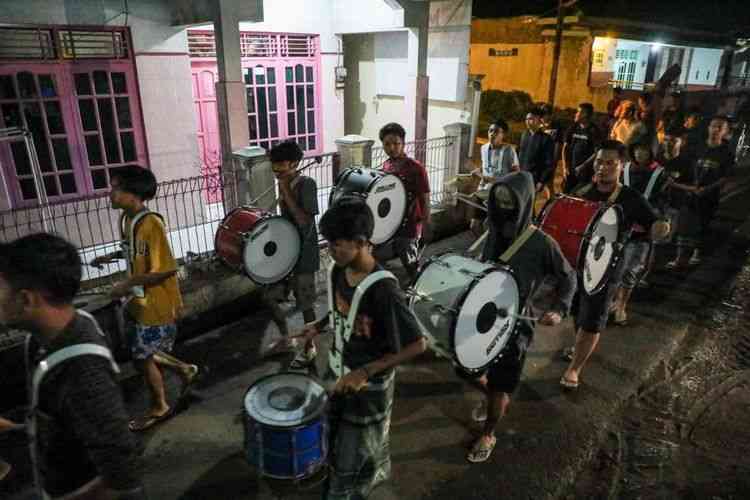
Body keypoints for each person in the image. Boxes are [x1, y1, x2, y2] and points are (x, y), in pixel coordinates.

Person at [285, 198, 426, 499]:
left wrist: (365, 371)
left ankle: (348, 489)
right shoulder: (339, 270)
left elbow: (418, 344)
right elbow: (342, 309)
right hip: (339, 372)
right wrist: (317, 326)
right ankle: (371, 468)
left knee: (354, 453)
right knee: (335, 435)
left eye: (336, 244)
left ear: (361, 242)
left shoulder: (385, 290)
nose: (330, 251)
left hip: (369, 387)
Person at [0, 234, 144, 499]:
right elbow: (64, 414)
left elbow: (122, 471)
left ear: (26, 300)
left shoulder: (81, 366)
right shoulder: (51, 334)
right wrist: (21, 426)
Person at [456, 171, 576, 463]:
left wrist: (559, 309)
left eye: (510, 200)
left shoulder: (541, 242)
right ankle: (495, 396)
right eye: (499, 200)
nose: (504, 206)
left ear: (523, 202)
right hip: (480, 317)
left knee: (500, 384)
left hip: (516, 324)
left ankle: (489, 432)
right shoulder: (493, 230)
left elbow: (568, 277)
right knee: (465, 368)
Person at [90, 166, 197, 432]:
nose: (110, 194)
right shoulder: (128, 220)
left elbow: (167, 268)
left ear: (134, 193)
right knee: (142, 354)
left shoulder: (151, 223)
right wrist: (110, 257)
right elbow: (135, 251)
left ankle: (160, 405)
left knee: (142, 357)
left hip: (156, 303)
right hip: (139, 301)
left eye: (116, 188)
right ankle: (185, 369)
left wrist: (126, 284)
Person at [561, 140, 669, 390]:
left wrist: (661, 227)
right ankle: (578, 346)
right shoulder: (582, 190)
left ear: (622, 166)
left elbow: (655, 222)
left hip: (607, 272)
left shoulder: (632, 198)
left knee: (592, 319)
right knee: (578, 312)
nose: (602, 167)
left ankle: (574, 368)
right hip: (578, 267)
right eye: (599, 161)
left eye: (610, 163)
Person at [267, 140, 320, 369]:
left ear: (295, 163)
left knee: (305, 302)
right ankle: (287, 339)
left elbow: (304, 221)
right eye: (274, 164)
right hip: (286, 252)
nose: (276, 169)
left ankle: (310, 347)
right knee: (269, 297)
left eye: (281, 164)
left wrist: (286, 192)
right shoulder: (285, 182)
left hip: (304, 253)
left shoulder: (306, 184)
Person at [610, 143, 672, 324]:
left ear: (652, 152)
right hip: (620, 227)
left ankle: (621, 306)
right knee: (614, 269)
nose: (640, 152)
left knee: (631, 270)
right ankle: (612, 301)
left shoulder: (660, 173)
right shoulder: (624, 168)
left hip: (642, 231)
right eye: (637, 149)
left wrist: (658, 219)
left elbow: (664, 201)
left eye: (645, 149)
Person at [667, 116, 734, 269]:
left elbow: (725, 177)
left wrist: (708, 189)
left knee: (702, 225)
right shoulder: (698, 148)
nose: (715, 130)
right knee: (684, 225)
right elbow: (684, 166)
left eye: (720, 127)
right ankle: (679, 258)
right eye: (713, 126)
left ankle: (696, 253)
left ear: (725, 132)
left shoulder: (726, 154)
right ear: (708, 127)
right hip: (690, 193)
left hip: (709, 197)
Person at [373, 122, 431, 282]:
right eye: (387, 144)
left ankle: (417, 290)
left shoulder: (416, 168)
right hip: (389, 226)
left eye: (396, 143)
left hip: (410, 226)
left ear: (403, 144)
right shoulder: (386, 166)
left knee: (411, 265)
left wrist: (426, 225)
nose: (392, 148)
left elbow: (425, 198)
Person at [469, 119, 520, 236]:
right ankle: (484, 248)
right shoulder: (484, 148)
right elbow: (486, 166)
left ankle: (492, 248)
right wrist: (478, 171)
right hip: (483, 191)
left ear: (503, 135)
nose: (492, 134)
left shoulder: (509, 151)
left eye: (496, 131)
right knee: (474, 225)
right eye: (490, 130)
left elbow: (516, 175)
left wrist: (494, 180)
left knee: (493, 227)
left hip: (500, 194)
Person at [518, 106, 556, 213]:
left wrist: (541, 181)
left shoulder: (546, 139)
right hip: (521, 176)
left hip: (533, 178)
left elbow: (549, 163)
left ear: (539, 120)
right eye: (527, 119)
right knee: (519, 204)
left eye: (531, 119)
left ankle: (531, 225)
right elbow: (519, 154)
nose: (528, 122)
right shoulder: (524, 135)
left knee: (528, 206)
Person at [562, 102, 601, 192]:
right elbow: (565, 148)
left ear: (585, 114)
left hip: (585, 173)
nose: (576, 114)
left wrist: (582, 166)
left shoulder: (594, 131)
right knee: (566, 195)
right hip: (570, 171)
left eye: (578, 112)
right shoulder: (573, 127)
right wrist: (565, 167)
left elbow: (597, 152)